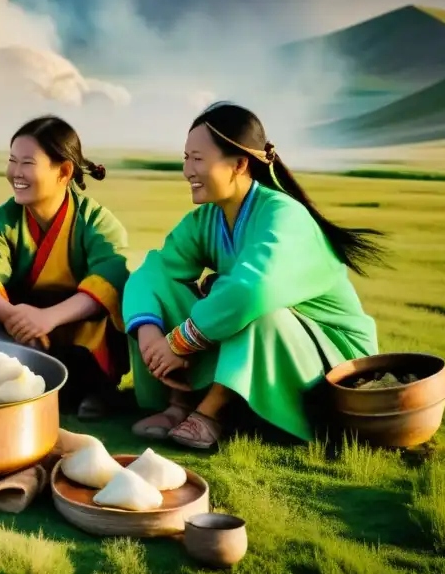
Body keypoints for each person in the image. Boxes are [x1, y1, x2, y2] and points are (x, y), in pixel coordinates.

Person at [123, 102, 385, 449]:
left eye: (198, 159)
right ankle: (179, 405)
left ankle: (211, 414)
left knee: (257, 311)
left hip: (332, 361)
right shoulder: (207, 220)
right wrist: (151, 335)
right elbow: (154, 270)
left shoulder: (284, 215)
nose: (187, 170)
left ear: (239, 164)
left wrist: (179, 343)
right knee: (169, 286)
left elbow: (253, 290)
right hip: (268, 346)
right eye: (186, 158)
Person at [0, 115, 132, 420]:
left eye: (27, 163)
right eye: (12, 161)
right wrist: (15, 317)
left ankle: (93, 390)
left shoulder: (97, 221)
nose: (16, 173)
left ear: (64, 171)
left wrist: (48, 318)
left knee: (113, 311)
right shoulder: (1, 221)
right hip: (21, 331)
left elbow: (110, 278)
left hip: (77, 333)